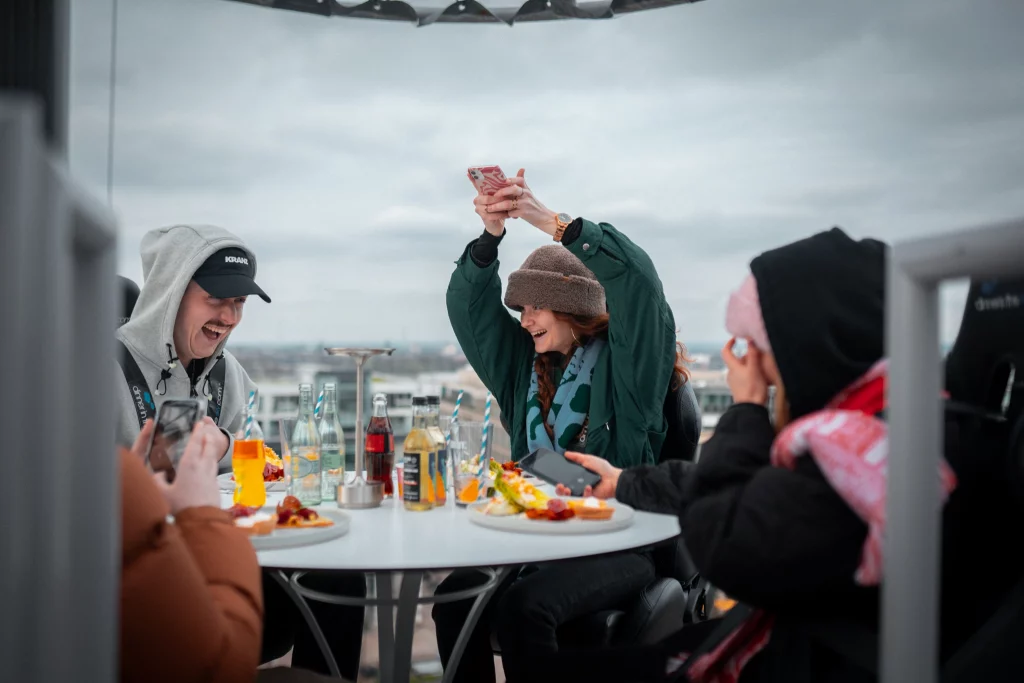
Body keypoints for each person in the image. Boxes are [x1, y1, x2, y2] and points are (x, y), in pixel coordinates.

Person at [544, 231, 1024, 682]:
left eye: (761, 343)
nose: (756, 361)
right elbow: (756, 488)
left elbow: (725, 543)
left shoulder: (861, 453)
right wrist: (624, 483)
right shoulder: (886, 421)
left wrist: (748, 408)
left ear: (806, 345)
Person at [434, 169, 690, 683]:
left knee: (526, 607)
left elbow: (638, 283)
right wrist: (491, 236)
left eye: (535, 307)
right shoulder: (524, 370)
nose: (524, 320)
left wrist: (544, 219)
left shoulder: (630, 373)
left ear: (573, 307)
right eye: (520, 308)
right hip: (538, 538)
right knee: (453, 599)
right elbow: (468, 309)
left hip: (618, 542)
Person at [121, 420, 351, 683]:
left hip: (176, 600)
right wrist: (202, 514)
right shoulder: (119, 475)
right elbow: (226, 667)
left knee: (335, 580)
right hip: (202, 640)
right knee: (334, 583)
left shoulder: (104, 472)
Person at [115, 224, 270, 469]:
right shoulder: (99, 372)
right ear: (170, 294)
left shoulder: (229, 372)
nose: (229, 317)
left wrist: (224, 447)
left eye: (239, 301)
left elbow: (262, 459)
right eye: (216, 297)